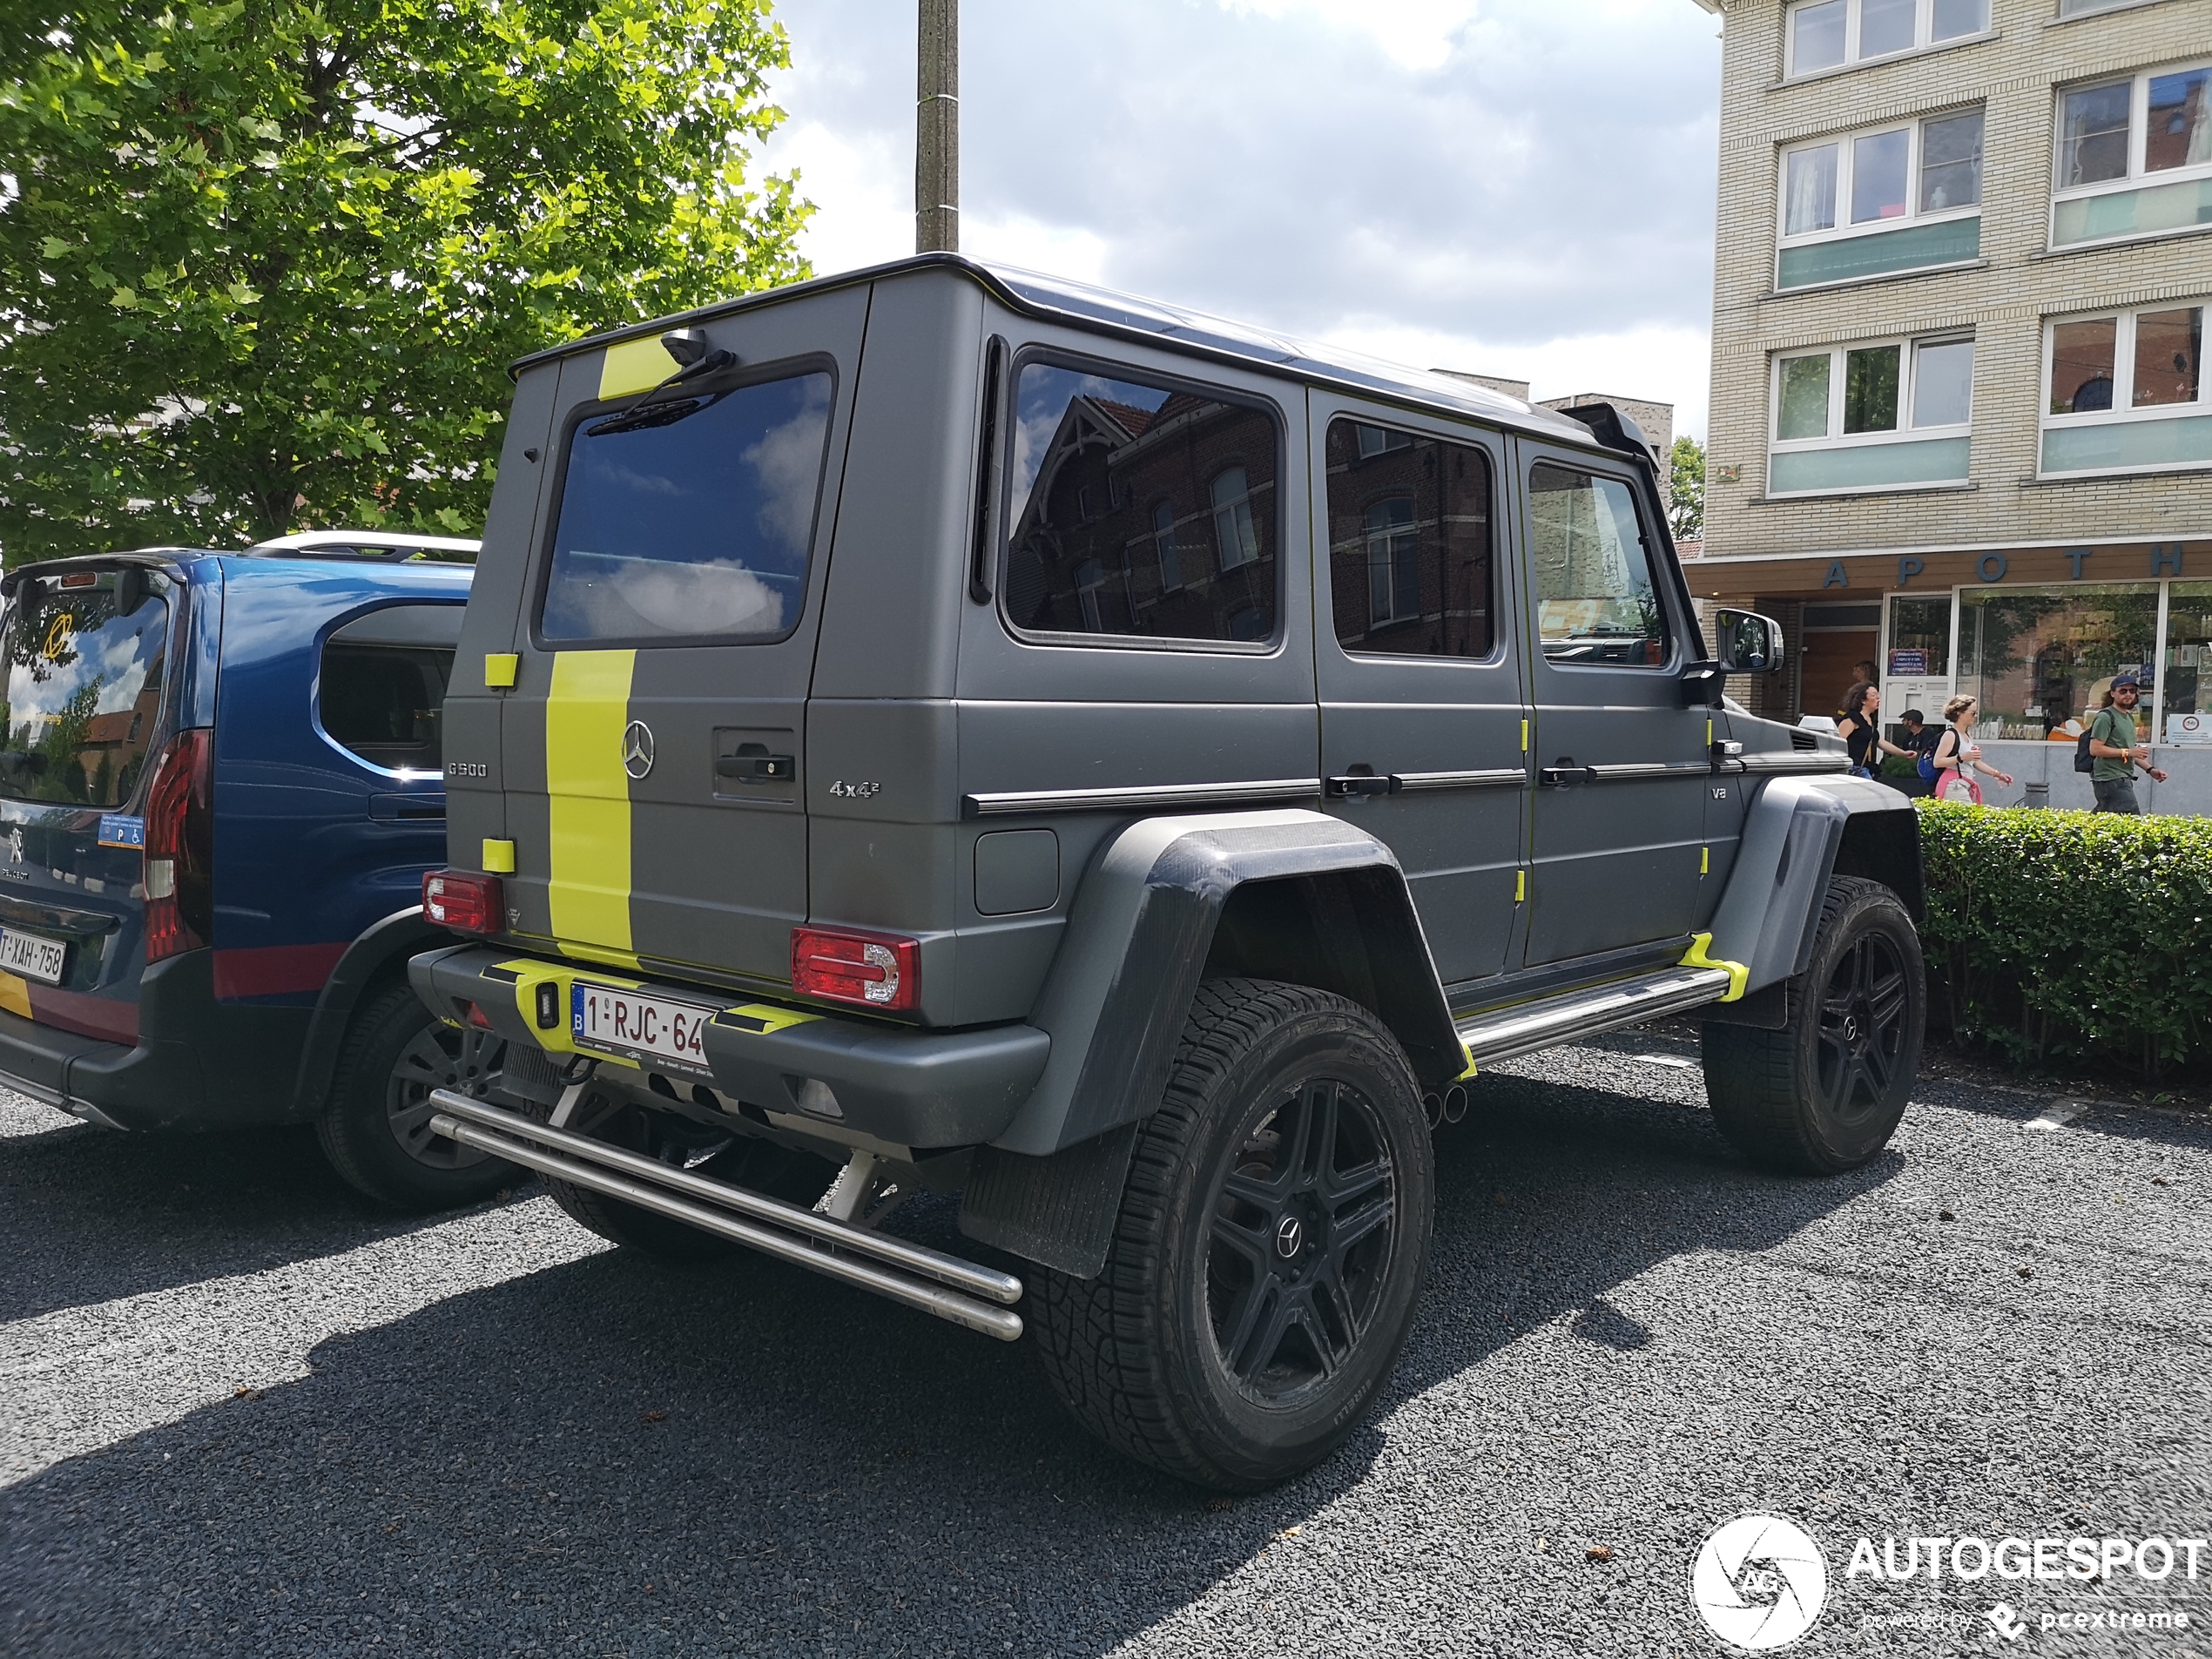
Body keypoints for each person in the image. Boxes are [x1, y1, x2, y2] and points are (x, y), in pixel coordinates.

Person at [2087, 674, 2168, 813]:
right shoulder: (2105, 717)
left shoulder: (2128, 717)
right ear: (2112, 693)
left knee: (2106, 821)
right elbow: (2095, 749)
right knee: (2130, 818)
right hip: (2109, 778)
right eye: (2123, 691)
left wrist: (2151, 770)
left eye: (2132, 691)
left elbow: (2131, 751)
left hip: (2122, 777)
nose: (2128, 694)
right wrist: (2129, 752)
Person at [1930, 693, 2013, 805]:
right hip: (1953, 785)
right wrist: (1961, 757)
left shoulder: (1966, 735)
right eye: (1973, 713)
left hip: (1962, 784)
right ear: (1959, 713)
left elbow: (1976, 762)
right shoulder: (1950, 735)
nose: (1975, 716)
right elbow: (1937, 762)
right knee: (1968, 819)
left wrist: (1998, 774)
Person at [1836, 681, 1915, 779]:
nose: (1878, 698)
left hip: (1865, 768)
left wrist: (1903, 753)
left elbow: (1880, 741)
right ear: (1863, 700)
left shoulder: (1869, 719)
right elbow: (1837, 743)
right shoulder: (1851, 719)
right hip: (1854, 769)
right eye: (1874, 695)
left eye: (1878, 695)